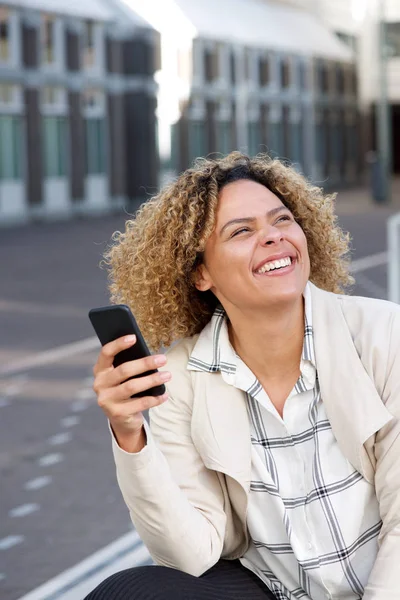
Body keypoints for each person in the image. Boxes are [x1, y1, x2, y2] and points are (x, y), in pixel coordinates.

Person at [86, 152, 400, 600]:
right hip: (278, 590)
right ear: (200, 273)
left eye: (282, 220)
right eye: (242, 231)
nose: (273, 237)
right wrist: (130, 434)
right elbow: (189, 556)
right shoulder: (181, 378)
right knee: (129, 591)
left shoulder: (384, 334)